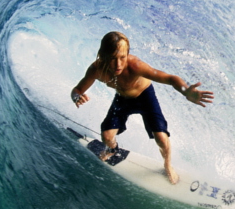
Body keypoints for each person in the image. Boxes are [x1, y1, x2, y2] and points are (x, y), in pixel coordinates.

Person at [70, 31, 214, 184]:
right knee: (106, 136)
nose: (118, 64)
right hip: (122, 99)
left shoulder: (136, 66)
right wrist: (77, 97)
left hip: (145, 97)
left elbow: (170, 78)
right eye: (112, 59)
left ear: (127, 54)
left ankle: (167, 165)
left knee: (161, 138)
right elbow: (77, 90)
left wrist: (186, 91)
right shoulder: (97, 70)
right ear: (103, 55)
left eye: (122, 57)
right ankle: (113, 150)